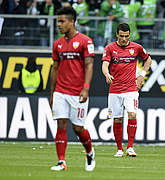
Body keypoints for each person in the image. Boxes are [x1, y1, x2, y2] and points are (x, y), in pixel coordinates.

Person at [49, 7, 95, 171]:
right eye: (58, 22)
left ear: (72, 21)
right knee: (61, 124)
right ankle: (61, 161)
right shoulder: (58, 44)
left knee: (78, 128)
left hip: (78, 92)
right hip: (61, 91)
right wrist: (52, 93)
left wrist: (86, 88)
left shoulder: (85, 41)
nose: (59, 25)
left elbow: (89, 65)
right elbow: (55, 68)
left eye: (62, 21)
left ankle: (89, 152)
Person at [102, 23, 152, 157]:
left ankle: (130, 147)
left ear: (129, 35)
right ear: (117, 35)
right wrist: (107, 74)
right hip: (115, 89)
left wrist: (142, 74)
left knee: (132, 114)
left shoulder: (136, 47)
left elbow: (148, 60)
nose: (124, 39)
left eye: (126, 36)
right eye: (122, 36)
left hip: (131, 89)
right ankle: (119, 149)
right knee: (117, 119)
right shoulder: (110, 48)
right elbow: (105, 64)